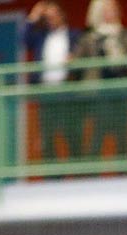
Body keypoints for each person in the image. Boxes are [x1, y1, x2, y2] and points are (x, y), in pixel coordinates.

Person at [26, 2, 84, 161]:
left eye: (53, 15)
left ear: (62, 15)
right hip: (46, 92)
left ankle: (81, 177)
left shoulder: (75, 35)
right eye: (47, 17)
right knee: (47, 136)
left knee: (72, 134)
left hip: (68, 91)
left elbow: (85, 52)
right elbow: (23, 39)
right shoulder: (40, 37)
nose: (51, 19)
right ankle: (52, 179)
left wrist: (75, 59)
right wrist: (34, 15)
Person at [77, 0, 127, 158]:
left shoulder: (123, 34)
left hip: (120, 94)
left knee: (122, 136)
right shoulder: (90, 37)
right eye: (107, 10)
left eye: (113, 10)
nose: (111, 13)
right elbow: (79, 59)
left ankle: (124, 175)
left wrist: (117, 49)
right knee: (97, 135)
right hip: (99, 94)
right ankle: (91, 176)